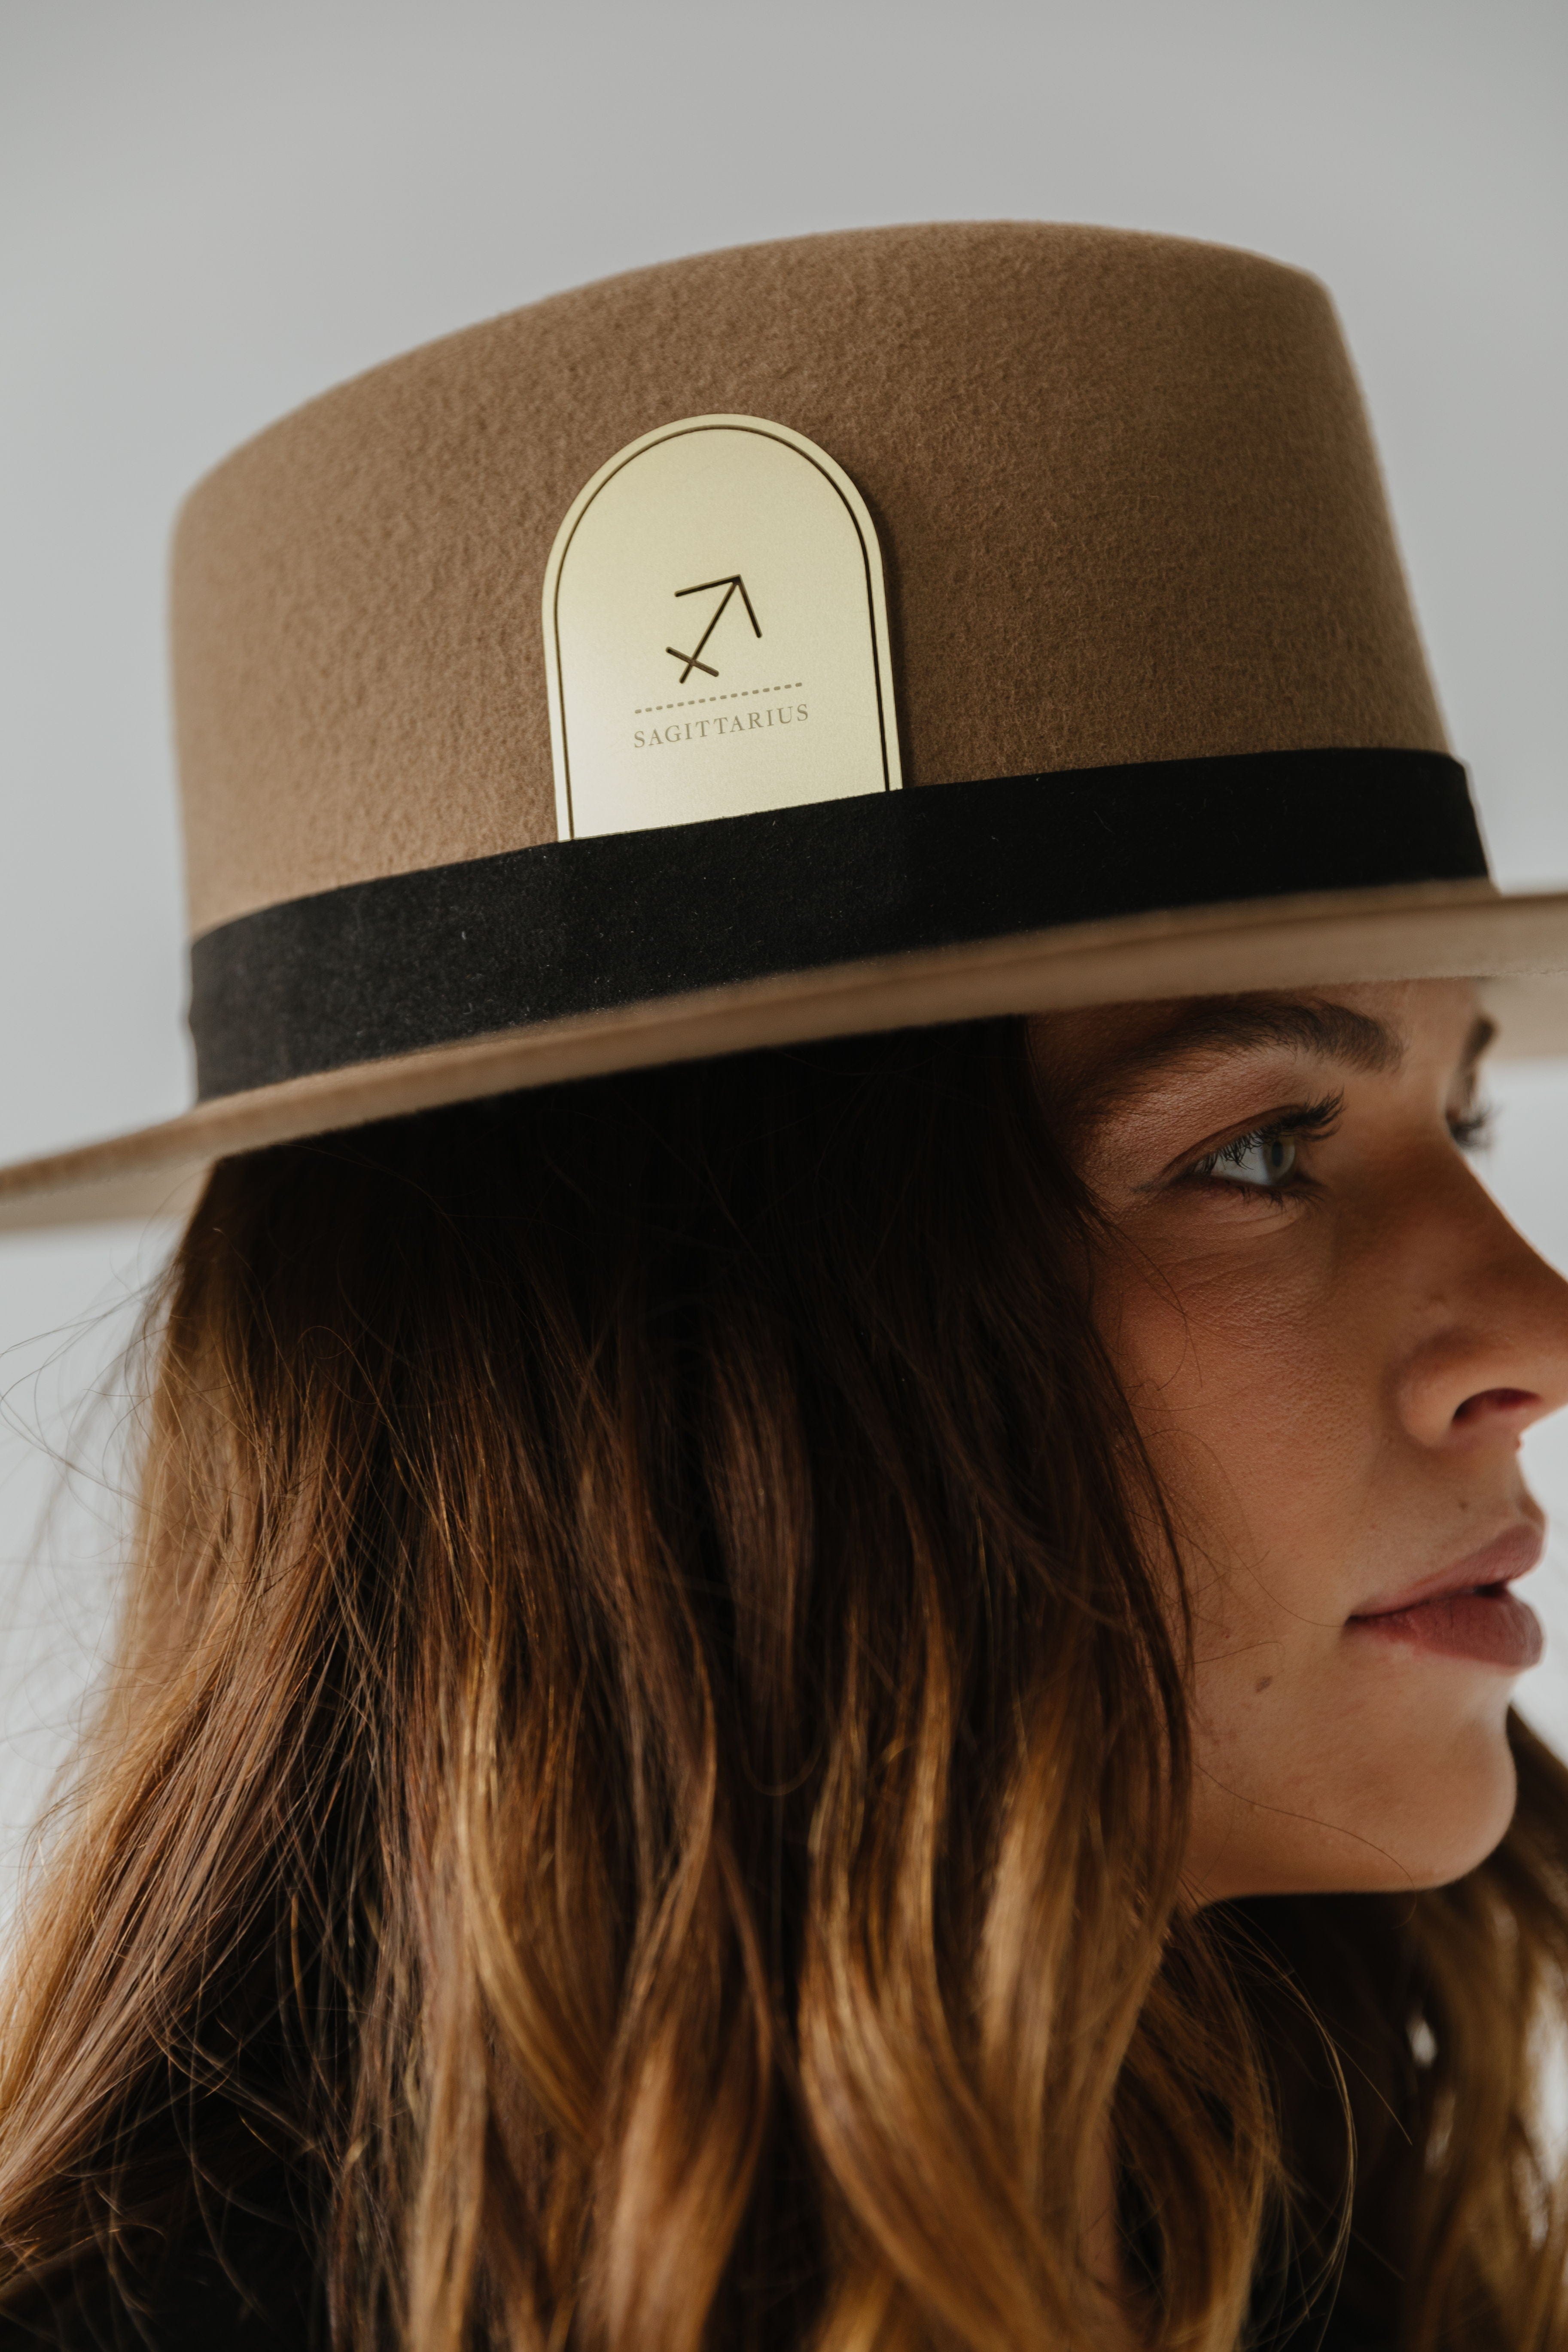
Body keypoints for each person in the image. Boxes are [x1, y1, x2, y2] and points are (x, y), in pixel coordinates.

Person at [0, 223, 1565, 2351]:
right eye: (1259, 1148)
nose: (1538, 1332)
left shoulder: (1303, 2239)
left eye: (1460, 1126)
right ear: (677, 1353)